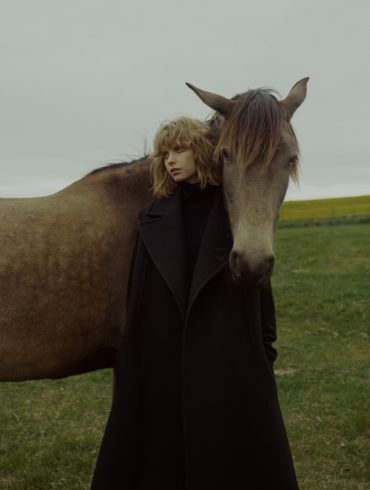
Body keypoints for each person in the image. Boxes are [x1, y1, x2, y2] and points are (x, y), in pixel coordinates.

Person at [91, 117, 299, 490]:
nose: (170, 160)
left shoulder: (234, 215)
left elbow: (259, 296)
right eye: (165, 152)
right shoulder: (151, 218)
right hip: (164, 368)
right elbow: (140, 297)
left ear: (202, 151)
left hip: (229, 368)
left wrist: (262, 354)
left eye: (180, 149)